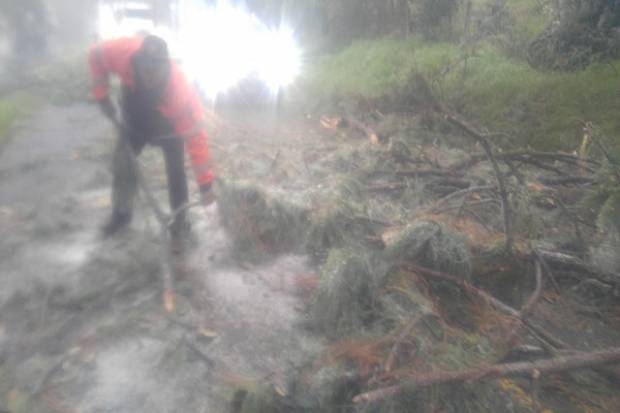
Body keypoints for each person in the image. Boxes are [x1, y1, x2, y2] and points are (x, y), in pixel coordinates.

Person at [88, 34, 214, 243]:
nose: (149, 79)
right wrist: (102, 95)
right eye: (145, 72)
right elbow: (95, 54)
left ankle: (180, 222)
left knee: (176, 171)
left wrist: (206, 186)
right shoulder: (124, 53)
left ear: (166, 67)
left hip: (169, 128)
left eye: (155, 74)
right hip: (134, 120)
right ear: (137, 62)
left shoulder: (180, 93)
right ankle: (121, 216)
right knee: (122, 164)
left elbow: (196, 139)